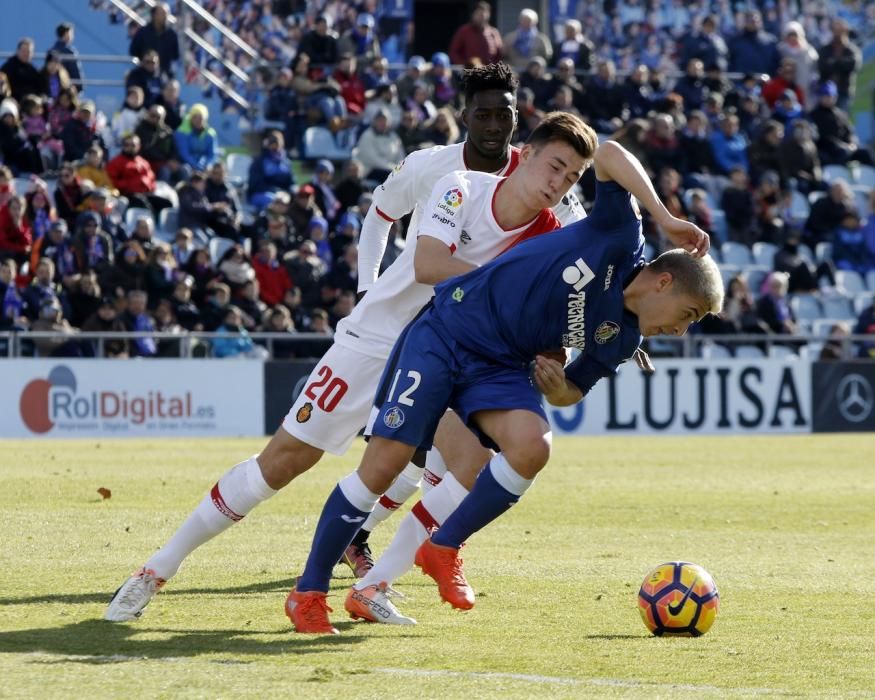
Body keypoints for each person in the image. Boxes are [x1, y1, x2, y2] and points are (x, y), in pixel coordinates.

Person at [101, 66, 589, 622]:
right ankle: (156, 569)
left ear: (519, 123)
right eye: (483, 112)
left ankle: (374, 583)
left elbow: (576, 274)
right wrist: (367, 289)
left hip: (460, 349)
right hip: (383, 333)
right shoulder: (438, 171)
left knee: (475, 464)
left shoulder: (555, 196)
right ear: (465, 115)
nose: (494, 124)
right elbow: (383, 219)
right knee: (284, 462)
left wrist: (589, 337)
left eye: (504, 114)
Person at [297, 140, 717, 632]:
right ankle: (308, 592)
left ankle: (444, 547)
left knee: (532, 446)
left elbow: (571, 393)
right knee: (383, 468)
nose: (680, 331)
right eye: (687, 315)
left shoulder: (621, 339)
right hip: (448, 332)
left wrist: (558, 388)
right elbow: (606, 152)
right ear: (663, 282)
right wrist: (665, 216)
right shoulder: (619, 235)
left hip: (499, 365)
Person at [449, 1, 503, 68]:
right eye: (478, 15)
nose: (481, 18)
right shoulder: (464, 31)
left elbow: (499, 55)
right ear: (473, 15)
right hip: (469, 72)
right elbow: (454, 52)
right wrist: (464, 66)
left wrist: (494, 68)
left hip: (489, 73)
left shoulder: (494, 33)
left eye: (483, 15)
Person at [129, 3, 179, 74]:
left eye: (166, 14)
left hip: (164, 74)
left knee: (174, 85)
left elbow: (175, 55)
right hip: (144, 74)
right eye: (163, 13)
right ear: (154, 15)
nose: (165, 16)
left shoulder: (172, 34)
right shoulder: (143, 32)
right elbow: (133, 51)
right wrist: (147, 62)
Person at [51, 23, 83, 88]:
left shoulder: (51, 50)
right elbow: (75, 72)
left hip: (54, 87)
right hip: (68, 89)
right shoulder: (69, 52)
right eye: (71, 33)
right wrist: (79, 87)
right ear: (66, 34)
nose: (72, 36)